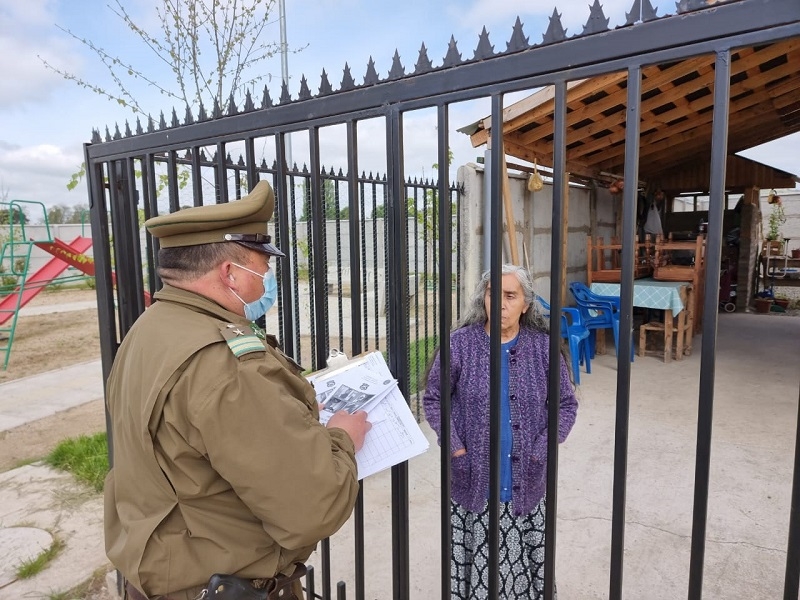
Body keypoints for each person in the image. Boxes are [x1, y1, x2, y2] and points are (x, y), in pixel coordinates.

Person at [104, 180, 371, 600]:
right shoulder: (224, 363)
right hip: (221, 585)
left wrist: (285, 416)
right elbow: (312, 509)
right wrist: (342, 438)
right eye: (262, 270)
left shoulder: (150, 328)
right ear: (229, 272)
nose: (266, 283)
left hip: (160, 571)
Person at [422, 264, 578, 599]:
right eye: (495, 294)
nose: (502, 303)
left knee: (525, 566)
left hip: (527, 478)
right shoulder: (460, 345)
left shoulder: (543, 348)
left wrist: (542, 449)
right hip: (472, 478)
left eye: (511, 295)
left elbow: (566, 404)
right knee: (477, 570)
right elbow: (434, 398)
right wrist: (455, 448)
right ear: (484, 299)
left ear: (526, 304)